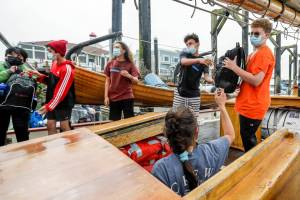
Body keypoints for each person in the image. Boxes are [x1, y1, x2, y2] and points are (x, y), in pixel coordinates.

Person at [152, 89, 235, 196]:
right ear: (196, 132)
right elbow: (230, 135)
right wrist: (222, 106)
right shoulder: (211, 152)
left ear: (167, 135)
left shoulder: (161, 169)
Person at [223, 18, 275, 152]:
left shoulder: (264, 54)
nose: (253, 36)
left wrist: (234, 67)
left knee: (249, 140)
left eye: (256, 34)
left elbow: (256, 80)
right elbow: (246, 76)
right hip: (247, 102)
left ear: (266, 35)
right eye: (251, 33)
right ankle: (251, 165)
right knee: (246, 137)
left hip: (254, 104)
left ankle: (254, 168)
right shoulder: (252, 54)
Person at [37, 40, 75, 135]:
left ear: (58, 52)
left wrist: (49, 106)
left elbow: (62, 91)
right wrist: (39, 76)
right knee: (50, 125)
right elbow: (51, 82)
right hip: (52, 100)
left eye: (50, 51)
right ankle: (53, 148)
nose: (49, 54)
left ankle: (71, 147)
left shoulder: (67, 69)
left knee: (64, 126)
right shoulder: (54, 64)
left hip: (64, 102)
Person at [0, 47, 34, 145]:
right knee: (1, 130)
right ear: (6, 56)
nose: (16, 57)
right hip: (2, 104)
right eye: (12, 55)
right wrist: (8, 71)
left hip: (20, 104)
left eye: (19, 56)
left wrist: (29, 77)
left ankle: (25, 155)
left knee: (22, 131)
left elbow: (33, 84)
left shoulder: (25, 69)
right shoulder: (1, 66)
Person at [174, 33, 214, 117]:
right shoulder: (184, 54)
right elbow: (183, 62)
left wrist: (213, 80)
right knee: (176, 118)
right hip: (180, 93)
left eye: (190, 43)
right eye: (187, 44)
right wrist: (199, 60)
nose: (188, 46)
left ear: (197, 44)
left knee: (194, 120)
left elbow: (207, 77)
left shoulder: (204, 61)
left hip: (194, 96)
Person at [104, 41, 140, 121]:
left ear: (124, 51)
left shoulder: (130, 64)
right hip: (113, 98)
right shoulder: (110, 63)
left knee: (129, 123)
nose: (115, 49)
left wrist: (128, 76)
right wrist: (106, 96)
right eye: (114, 47)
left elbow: (136, 81)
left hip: (126, 97)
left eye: (117, 47)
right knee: (113, 123)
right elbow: (107, 81)